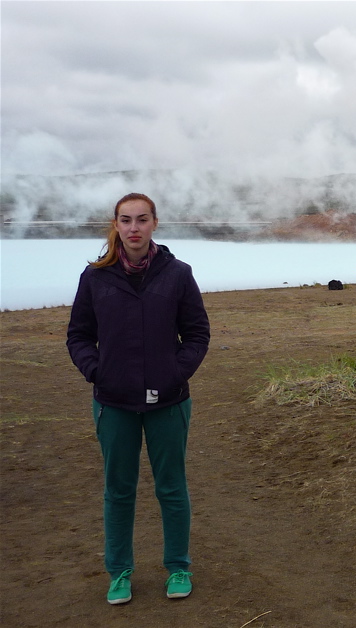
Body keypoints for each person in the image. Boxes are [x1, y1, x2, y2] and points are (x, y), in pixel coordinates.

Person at [67, 192, 210, 605]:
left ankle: (179, 567)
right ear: (115, 225)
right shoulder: (95, 277)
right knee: (118, 489)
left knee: (171, 486)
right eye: (126, 220)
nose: (134, 228)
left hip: (169, 400)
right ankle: (119, 572)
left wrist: (175, 372)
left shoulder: (178, 274)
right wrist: (97, 371)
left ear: (154, 223)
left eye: (141, 220)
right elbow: (78, 335)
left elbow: (197, 334)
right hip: (113, 402)